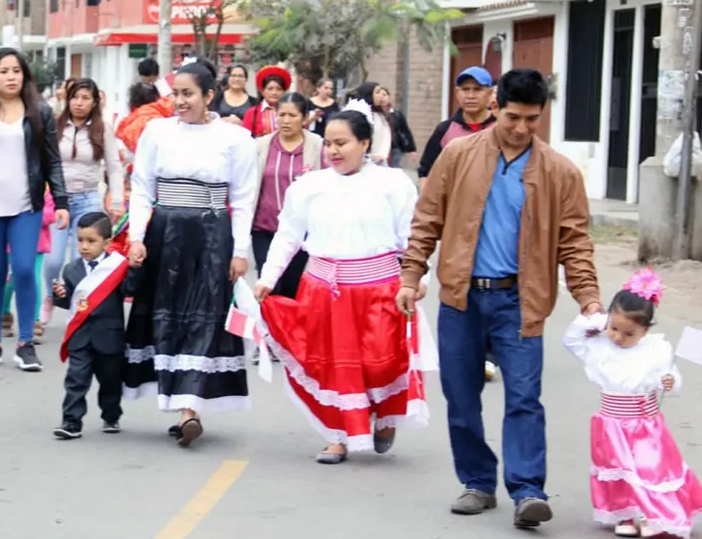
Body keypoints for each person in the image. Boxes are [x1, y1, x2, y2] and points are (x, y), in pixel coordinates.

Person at [397, 68, 602, 528]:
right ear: (495, 106)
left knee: (526, 396)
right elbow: (427, 220)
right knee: (461, 395)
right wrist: (411, 276)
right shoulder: (457, 156)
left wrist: (588, 298)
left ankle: (528, 490)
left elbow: (575, 242)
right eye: (513, 116)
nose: (522, 127)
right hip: (461, 297)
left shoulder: (560, 173)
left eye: (533, 119)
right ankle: (477, 483)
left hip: (520, 301)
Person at [255, 110, 427, 464]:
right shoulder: (309, 187)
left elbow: (409, 236)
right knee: (331, 364)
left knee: (379, 361)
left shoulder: (393, 184)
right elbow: (288, 235)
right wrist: (268, 278)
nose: (333, 150)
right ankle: (337, 436)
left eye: (342, 143)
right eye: (329, 143)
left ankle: (384, 416)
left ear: (364, 143)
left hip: (379, 288)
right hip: (323, 289)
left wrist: (416, 278)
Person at [123, 58, 258, 447]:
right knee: (167, 314)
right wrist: (136, 237)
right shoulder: (157, 132)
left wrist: (241, 250)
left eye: (189, 94)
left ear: (209, 95)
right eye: (176, 94)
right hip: (165, 233)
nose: (180, 102)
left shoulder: (234, 140)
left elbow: (244, 198)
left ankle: (189, 408)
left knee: (203, 314)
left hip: (211, 235)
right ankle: (178, 399)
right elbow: (144, 187)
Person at [562, 269, 702, 538]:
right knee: (619, 471)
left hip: (644, 424)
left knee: (649, 470)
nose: (619, 337)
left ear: (645, 330)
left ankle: (654, 514)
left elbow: (669, 374)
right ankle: (625, 515)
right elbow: (571, 339)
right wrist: (602, 321)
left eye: (629, 333)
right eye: (614, 328)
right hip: (610, 423)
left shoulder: (655, 349)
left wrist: (669, 380)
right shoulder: (600, 346)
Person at [0, 47, 70, 372]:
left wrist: (60, 201)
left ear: (25, 75)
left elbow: (51, 160)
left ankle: (25, 344)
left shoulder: (39, 111)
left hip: (26, 205)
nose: (11, 77)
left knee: (23, 269)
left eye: (16, 71)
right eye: (4, 71)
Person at [418, 66, 499, 380]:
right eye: (464, 89)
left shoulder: (501, 128)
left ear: (490, 93)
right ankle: (469, 346)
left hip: (493, 222)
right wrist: (432, 209)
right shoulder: (445, 130)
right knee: (460, 285)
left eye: (477, 89)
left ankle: (489, 353)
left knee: (492, 283)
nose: (470, 95)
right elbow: (426, 170)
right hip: (455, 224)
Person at [41, 78, 124, 326]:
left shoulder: (103, 129)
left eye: (86, 98)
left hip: (88, 198)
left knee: (87, 256)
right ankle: (51, 296)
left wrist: (117, 201)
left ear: (95, 102)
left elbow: (114, 167)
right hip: (58, 201)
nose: (79, 103)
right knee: (54, 259)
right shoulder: (55, 127)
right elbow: (42, 163)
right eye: (75, 97)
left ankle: (79, 305)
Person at [51, 212, 131, 440]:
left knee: (110, 381)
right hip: (81, 335)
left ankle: (111, 414)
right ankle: (71, 421)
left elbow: (129, 290)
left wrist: (135, 270)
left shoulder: (117, 268)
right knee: (76, 379)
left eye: (91, 241)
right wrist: (61, 295)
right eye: (80, 240)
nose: (84, 246)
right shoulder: (71, 269)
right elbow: (71, 303)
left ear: (107, 243)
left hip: (108, 336)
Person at [252, 92, 323, 300]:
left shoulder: (317, 146)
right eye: (281, 115)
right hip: (265, 228)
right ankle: (269, 331)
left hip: (301, 232)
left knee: (291, 288)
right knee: (270, 286)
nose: (285, 121)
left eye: (292, 115)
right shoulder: (261, 145)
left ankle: (288, 332)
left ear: (304, 117)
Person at [2, 187, 55, 339]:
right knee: (10, 281)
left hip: (37, 243)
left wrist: (28, 215)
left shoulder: (44, 188)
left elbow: (50, 214)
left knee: (34, 279)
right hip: (12, 242)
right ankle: (3, 314)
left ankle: (34, 321)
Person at [343, 81, 392, 165]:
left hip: (379, 160)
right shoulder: (358, 112)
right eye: (377, 92)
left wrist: (382, 155)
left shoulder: (380, 115)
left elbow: (386, 137)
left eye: (381, 92)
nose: (381, 96)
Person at [242, 66, 290, 137]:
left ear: (284, 92)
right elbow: (245, 138)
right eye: (270, 89)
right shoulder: (251, 113)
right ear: (262, 92)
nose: (274, 92)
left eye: (278, 89)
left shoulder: (291, 111)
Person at [377, 86, 417, 169]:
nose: (383, 98)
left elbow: (405, 130)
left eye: (384, 95)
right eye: (380, 95)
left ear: (389, 96)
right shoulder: (375, 114)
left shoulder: (396, 113)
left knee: (394, 169)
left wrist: (412, 149)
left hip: (395, 148)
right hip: (379, 149)